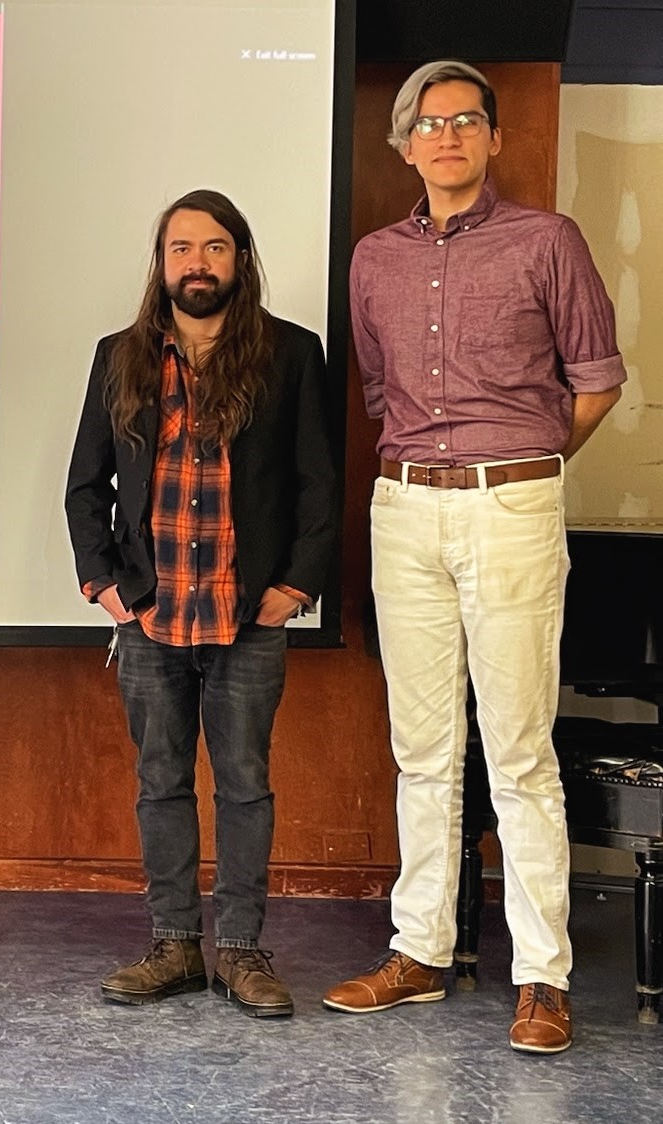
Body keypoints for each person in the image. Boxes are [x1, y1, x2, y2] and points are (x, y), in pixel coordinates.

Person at [324, 61, 624, 1055]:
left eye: (465, 119)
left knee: (520, 750)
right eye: (428, 121)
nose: (446, 134)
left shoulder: (549, 240)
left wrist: (529, 469)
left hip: (513, 505)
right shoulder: (373, 259)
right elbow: (379, 397)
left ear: (491, 138)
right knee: (423, 748)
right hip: (404, 507)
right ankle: (420, 950)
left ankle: (543, 974)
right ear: (403, 143)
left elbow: (595, 382)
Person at [65, 189, 337, 1018]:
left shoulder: (292, 353)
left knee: (246, 785)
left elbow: (318, 482)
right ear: (162, 263)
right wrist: (108, 588)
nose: (198, 263)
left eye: (215, 247)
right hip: (151, 619)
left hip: (246, 617)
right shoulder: (120, 357)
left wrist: (293, 587)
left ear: (240, 260)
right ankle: (176, 946)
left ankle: (243, 952)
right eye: (181, 248)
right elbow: (86, 487)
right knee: (160, 782)